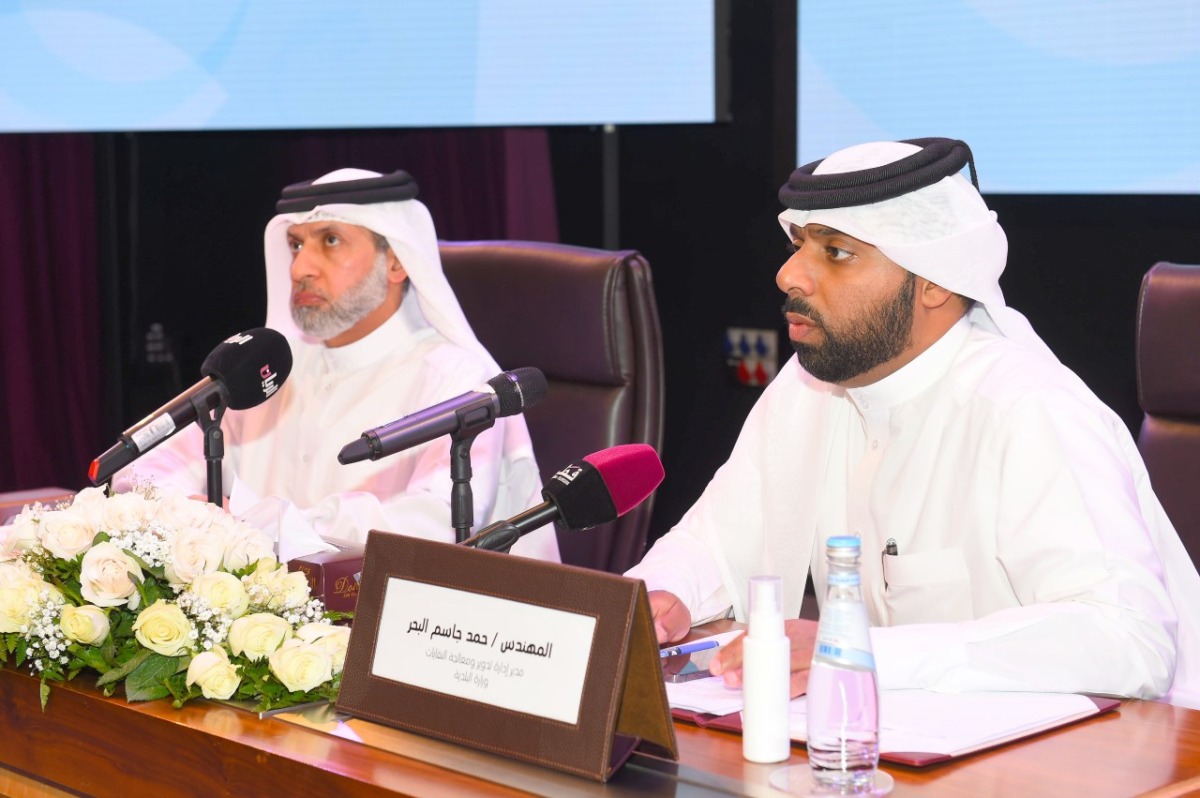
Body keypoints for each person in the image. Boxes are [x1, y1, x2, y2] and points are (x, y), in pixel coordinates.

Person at [626, 138, 1200, 707]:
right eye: (799, 245)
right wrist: (666, 592)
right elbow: (718, 539)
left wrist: (861, 654)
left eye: (837, 253)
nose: (790, 276)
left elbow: (1130, 638)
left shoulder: (1028, 410)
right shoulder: (808, 389)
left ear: (935, 281)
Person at [117, 168, 559, 562]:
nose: (299, 268)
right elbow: (141, 470)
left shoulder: (456, 378)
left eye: (330, 241)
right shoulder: (265, 372)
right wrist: (194, 513)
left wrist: (267, 526)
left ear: (397, 262)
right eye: (295, 245)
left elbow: (433, 524)